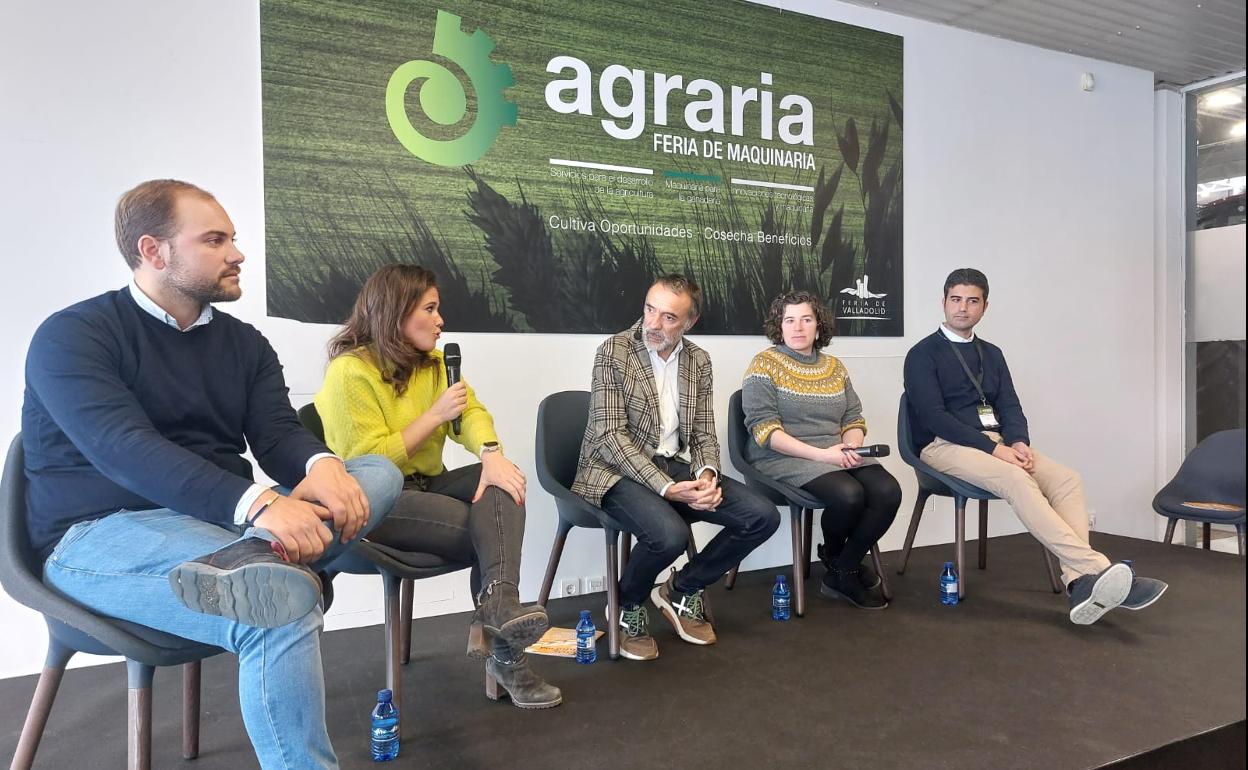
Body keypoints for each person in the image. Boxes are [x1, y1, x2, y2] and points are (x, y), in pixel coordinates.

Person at [22, 179, 404, 769]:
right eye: (216, 239)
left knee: (376, 473)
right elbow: (124, 448)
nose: (238, 253)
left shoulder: (244, 345)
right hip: (98, 533)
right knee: (279, 605)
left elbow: (277, 435)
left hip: (216, 524)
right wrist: (260, 505)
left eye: (234, 238)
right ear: (154, 252)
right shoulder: (73, 336)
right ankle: (271, 563)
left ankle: (260, 558)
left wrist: (321, 466)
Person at [315, 264, 560, 709]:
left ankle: (500, 605)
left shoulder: (431, 365)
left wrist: (490, 454)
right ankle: (505, 653)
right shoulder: (349, 374)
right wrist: (432, 416)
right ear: (396, 314)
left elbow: (472, 414)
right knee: (489, 531)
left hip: (428, 484)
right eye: (430, 309)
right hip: (372, 499)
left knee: (503, 483)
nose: (441, 320)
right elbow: (366, 463)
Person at [903, 268, 1167, 625]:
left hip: (996, 444)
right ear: (944, 302)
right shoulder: (923, 354)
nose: (963, 308)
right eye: (956, 299)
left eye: (972, 300)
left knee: (1067, 479)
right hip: (942, 446)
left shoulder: (992, 354)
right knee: (1016, 480)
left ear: (985, 306)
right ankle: (1097, 568)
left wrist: (1018, 442)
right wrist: (996, 451)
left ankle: (1079, 583)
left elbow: (1010, 406)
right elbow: (934, 417)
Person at [573, 274, 780, 660]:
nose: (653, 323)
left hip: (672, 465)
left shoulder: (699, 361)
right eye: (650, 309)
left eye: (669, 317)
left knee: (761, 516)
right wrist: (666, 489)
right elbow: (610, 437)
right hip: (610, 471)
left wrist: (705, 476)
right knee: (668, 534)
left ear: (689, 322)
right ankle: (627, 605)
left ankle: (681, 589)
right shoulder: (614, 351)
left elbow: (703, 434)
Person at [742, 291, 901, 609]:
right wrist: (824, 455)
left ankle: (842, 565)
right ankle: (841, 562)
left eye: (806, 319)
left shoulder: (835, 367)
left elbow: (853, 417)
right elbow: (764, 430)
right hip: (782, 456)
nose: (798, 327)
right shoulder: (764, 364)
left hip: (836, 452)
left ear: (819, 325)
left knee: (887, 491)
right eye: (789, 320)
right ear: (779, 326)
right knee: (849, 494)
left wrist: (853, 446)